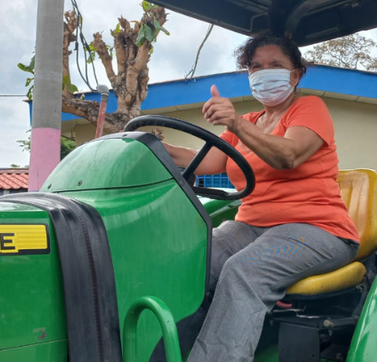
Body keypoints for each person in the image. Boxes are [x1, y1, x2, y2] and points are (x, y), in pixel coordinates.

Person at [154, 33, 360, 362]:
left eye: (275, 65)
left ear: (296, 74)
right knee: (192, 260)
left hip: (318, 229)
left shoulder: (309, 108)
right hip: (252, 227)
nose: (265, 71)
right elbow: (207, 161)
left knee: (242, 271)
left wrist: (234, 122)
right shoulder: (249, 122)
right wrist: (151, 146)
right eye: (256, 66)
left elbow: (289, 155)